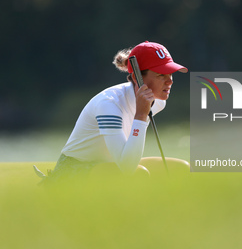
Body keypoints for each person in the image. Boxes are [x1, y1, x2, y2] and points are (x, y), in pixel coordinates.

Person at [34, 41, 189, 183]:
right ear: (137, 78)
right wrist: (141, 115)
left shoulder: (159, 102)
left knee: (182, 168)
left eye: (170, 73)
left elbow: (126, 160)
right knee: (138, 174)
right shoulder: (109, 105)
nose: (170, 81)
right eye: (161, 75)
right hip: (72, 171)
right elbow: (128, 168)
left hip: (112, 164)